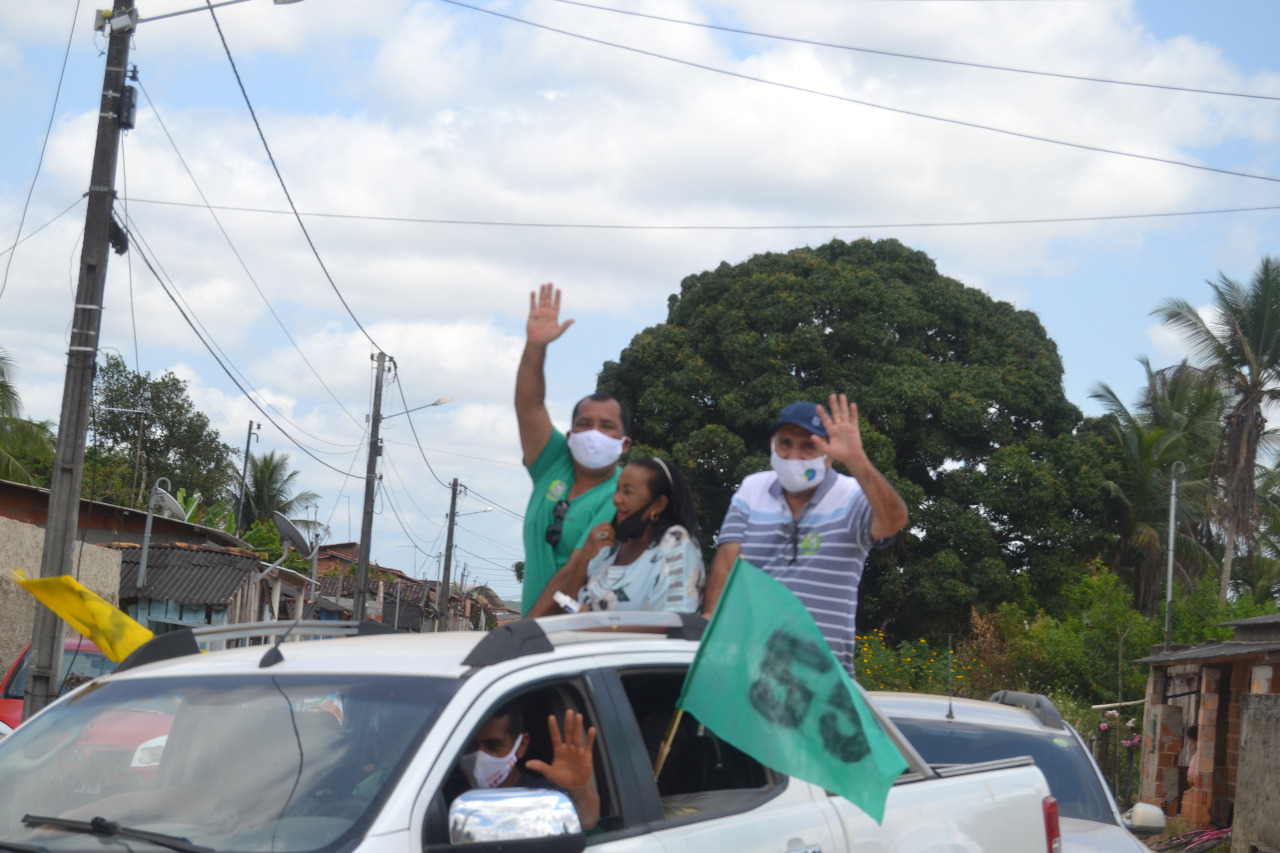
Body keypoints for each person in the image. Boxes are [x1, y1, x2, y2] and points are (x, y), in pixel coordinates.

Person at [702, 394, 909, 673]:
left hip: (820, 683)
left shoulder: (851, 496)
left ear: (828, 454)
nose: (793, 456)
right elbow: (726, 566)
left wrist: (858, 460)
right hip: (747, 671)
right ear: (772, 444)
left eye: (808, 446)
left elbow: (894, 520)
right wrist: (710, 628)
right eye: (784, 443)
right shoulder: (752, 489)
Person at [517, 284, 632, 614]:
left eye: (607, 426)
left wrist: (522, 633)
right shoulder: (553, 462)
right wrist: (535, 348)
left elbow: (574, 571)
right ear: (569, 435)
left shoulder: (624, 494)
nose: (594, 433)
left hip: (575, 640)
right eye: (584, 424)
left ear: (624, 444)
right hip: (530, 641)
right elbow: (529, 405)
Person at [528, 457, 704, 615]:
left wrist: (592, 627)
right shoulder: (609, 549)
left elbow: (674, 621)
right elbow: (565, 606)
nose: (616, 499)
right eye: (617, 490)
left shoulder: (676, 542)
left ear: (658, 504)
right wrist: (583, 558)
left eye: (627, 492)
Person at [454, 703, 600, 830]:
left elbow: (586, 820)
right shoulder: (442, 792)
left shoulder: (544, 796)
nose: (480, 756)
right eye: (471, 745)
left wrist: (579, 788)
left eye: (493, 746)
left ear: (521, 745)